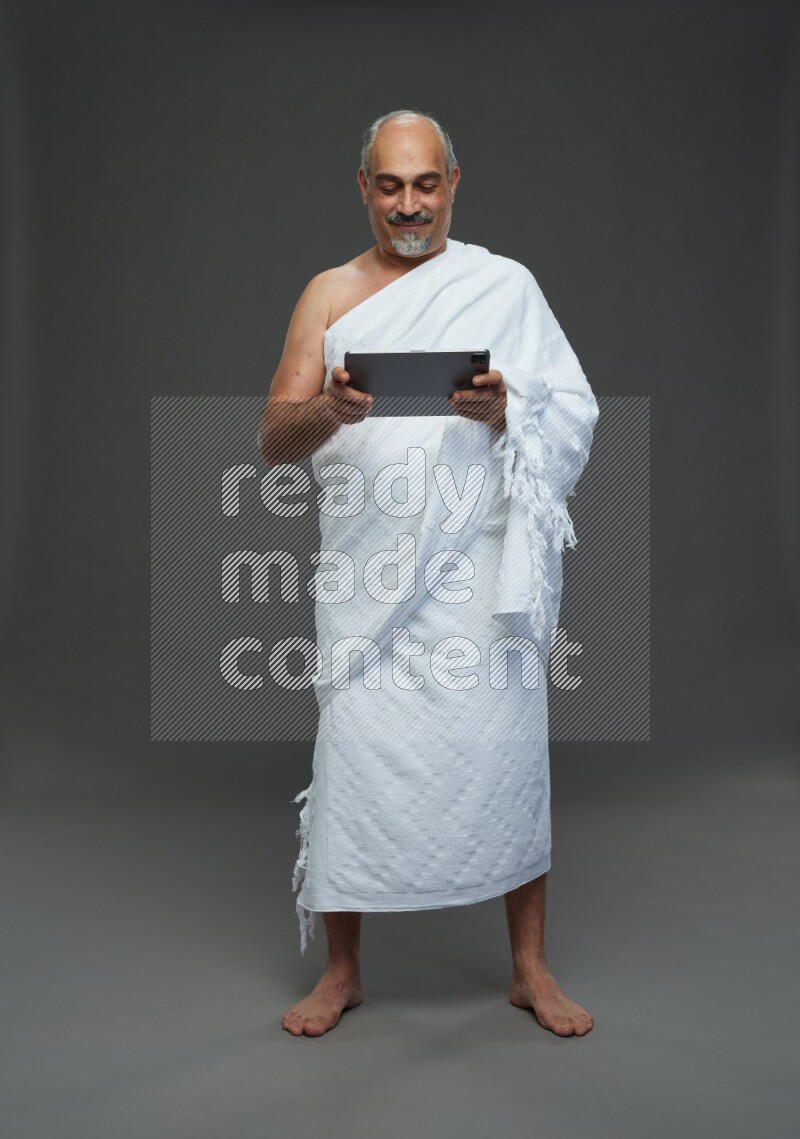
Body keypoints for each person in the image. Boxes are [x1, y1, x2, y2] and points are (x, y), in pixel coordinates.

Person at [258, 109, 598, 1038]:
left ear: (453, 183)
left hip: (479, 576)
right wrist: (331, 409)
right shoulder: (329, 294)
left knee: (507, 755)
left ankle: (529, 968)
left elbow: (573, 410)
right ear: (363, 189)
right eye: (389, 185)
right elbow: (276, 437)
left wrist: (507, 410)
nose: (409, 205)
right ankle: (341, 972)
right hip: (366, 579)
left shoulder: (506, 286)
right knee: (354, 762)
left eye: (424, 183)